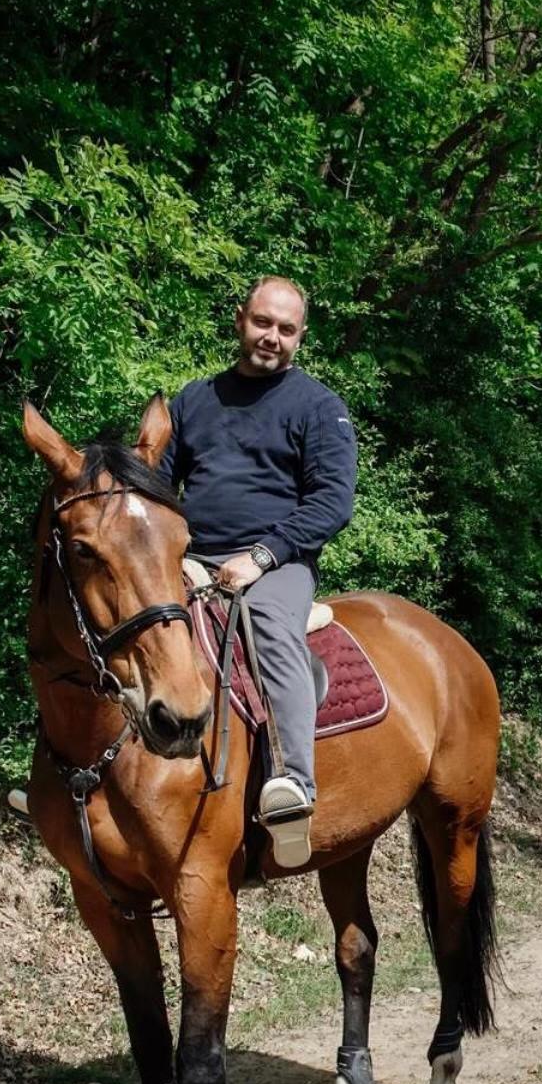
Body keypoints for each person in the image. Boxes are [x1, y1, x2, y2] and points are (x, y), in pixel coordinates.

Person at [158, 276, 357, 868]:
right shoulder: (193, 400)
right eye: (263, 322)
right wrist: (171, 552)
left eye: (286, 329)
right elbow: (158, 485)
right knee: (122, 618)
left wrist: (263, 557)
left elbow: (332, 501)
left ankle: (293, 784)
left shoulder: (318, 407)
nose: (272, 336)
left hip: (279, 563)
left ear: (300, 337)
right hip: (192, 558)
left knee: (267, 624)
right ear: (240, 319)